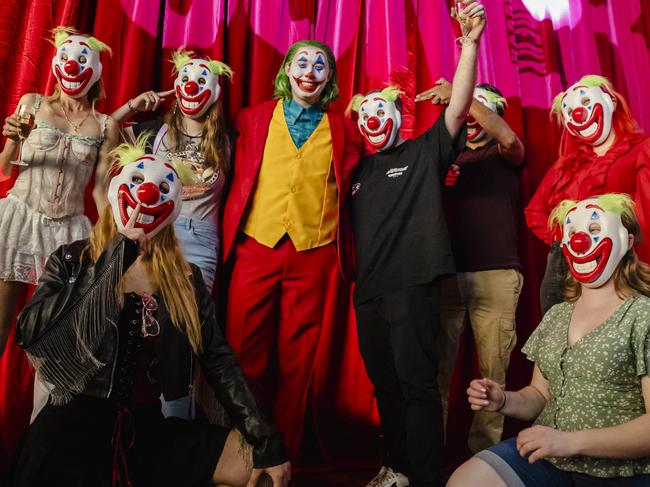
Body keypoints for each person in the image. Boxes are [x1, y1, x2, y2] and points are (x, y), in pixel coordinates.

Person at [12, 136, 291, 487]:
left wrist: (262, 436)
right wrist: (116, 257)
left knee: (260, 468)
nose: (147, 193)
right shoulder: (72, 260)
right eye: (138, 182)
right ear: (116, 191)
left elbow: (218, 359)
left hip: (143, 429)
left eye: (161, 188)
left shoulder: (184, 278)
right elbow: (30, 331)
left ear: (172, 207)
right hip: (70, 429)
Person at [347, 2, 486, 485]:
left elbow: (459, 106)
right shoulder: (355, 171)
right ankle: (399, 470)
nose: (371, 117)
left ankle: (427, 476)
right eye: (363, 111)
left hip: (414, 285)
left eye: (379, 108)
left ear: (397, 114)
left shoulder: (424, 150)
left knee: (417, 386)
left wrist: (468, 44)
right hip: (369, 292)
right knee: (386, 389)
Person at [448, 194, 650, 487]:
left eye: (594, 231)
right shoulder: (557, 315)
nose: (581, 241)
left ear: (628, 242)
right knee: (465, 481)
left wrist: (569, 442)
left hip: (619, 473)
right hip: (548, 459)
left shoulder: (643, 316)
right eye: (574, 234)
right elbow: (539, 395)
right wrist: (503, 399)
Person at [221, 39, 360, 456]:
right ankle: (240, 447)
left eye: (321, 65)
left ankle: (283, 454)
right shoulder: (251, 118)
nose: (310, 71)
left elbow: (365, 180)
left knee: (298, 360)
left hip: (313, 252)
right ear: (286, 69)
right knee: (244, 348)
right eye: (302, 62)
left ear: (330, 78)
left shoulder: (345, 129)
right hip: (256, 245)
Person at [415, 80, 525, 452]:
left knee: (493, 374)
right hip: (447, 276)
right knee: (437, 372)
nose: (470, 113)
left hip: (495, 274)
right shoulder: (448, 156)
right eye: (467, 106)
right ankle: (430, 458)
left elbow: (509, 139)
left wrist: (462, 99)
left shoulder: (504, 153)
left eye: (480, 106)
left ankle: (484, 459)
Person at [0, 26, 118, 356]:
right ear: (56, 64)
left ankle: (45, 409)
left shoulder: (106, 125)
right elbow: (3, 170)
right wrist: (11, 142)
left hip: (66, 231)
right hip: (18, 219)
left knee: (52, 338)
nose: (72, 66)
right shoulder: (33, 105)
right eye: (65, 58)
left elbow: (100, 191)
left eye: (82, 60)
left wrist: (111, 239)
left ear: (95, 70)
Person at [525, 75, 650, 314]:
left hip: (619, 261)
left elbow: (646, 211)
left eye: (584, 104)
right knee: (558, 337)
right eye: (570, 111)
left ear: (611, 102)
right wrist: (566, 236)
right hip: (565, 264)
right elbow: (535, 212)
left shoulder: (641, 151)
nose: (578, 114)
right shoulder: (566, 165)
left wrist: (628, 248)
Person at [111, 48, 233, 294]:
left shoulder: (229, 141)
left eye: (200, 82)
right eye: (186, 80)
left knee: (191, 320)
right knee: (147, 318)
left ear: (215, 92)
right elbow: (106, 131)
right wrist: (133, 106)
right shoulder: (156, 132)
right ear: (178, 86)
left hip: (201, 241)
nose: (191, 87)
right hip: (155, 234)